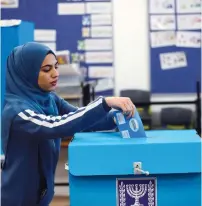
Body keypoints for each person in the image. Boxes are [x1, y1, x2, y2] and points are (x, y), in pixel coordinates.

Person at [1, 42, 135, 206]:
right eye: (46, 69)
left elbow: (80, 119)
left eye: (56, 67)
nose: (55, 74)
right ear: (26, 73)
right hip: (19, 198)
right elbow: (55, 125)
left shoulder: (49, 98)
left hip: (41, 194)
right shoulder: (16, 111)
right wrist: (104, 103)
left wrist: (117, 117)